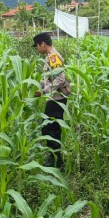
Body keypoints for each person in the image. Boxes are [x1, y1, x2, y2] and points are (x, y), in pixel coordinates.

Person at [32, 32, 71, 168]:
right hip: (54, 98)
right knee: (51, 128)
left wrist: (43, 91)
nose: (37, 49)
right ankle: (55, 158)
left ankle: (56, 160)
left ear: (43, 44)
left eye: (37, 46)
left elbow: (60, 79)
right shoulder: (49, 56)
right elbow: (49, 78)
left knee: (49, 129)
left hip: (57, 99)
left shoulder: (53, 57)